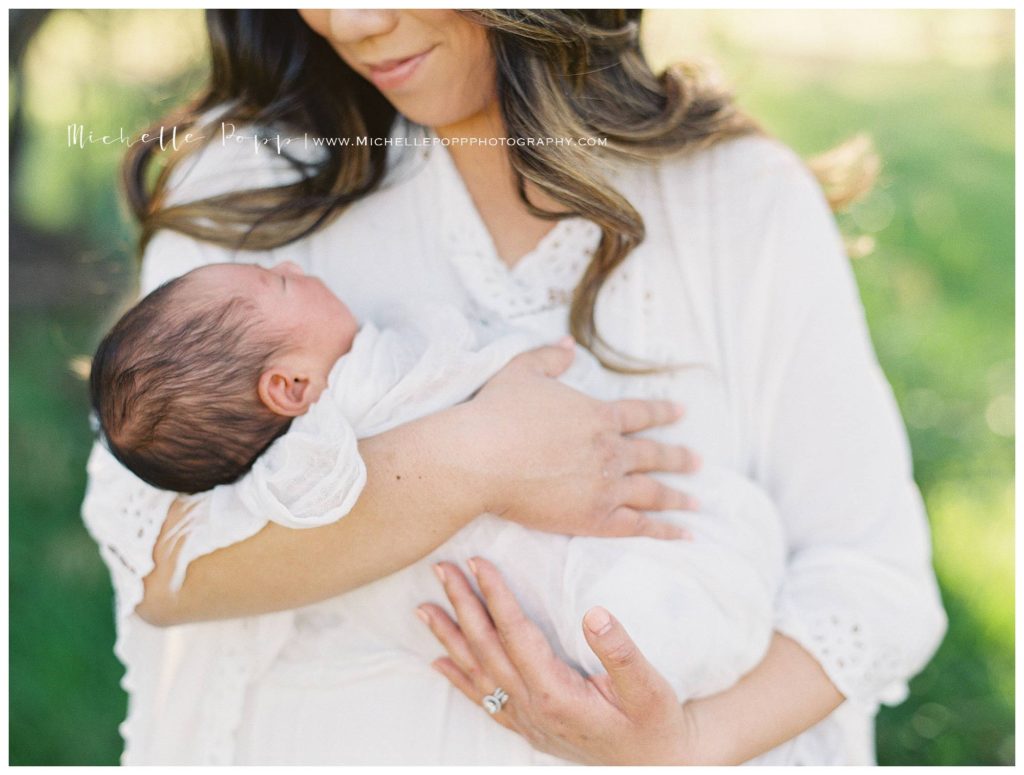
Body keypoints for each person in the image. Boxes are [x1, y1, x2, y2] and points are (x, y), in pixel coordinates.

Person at [81, 9, 947, 765]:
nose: (347, 21)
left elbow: (873, 577)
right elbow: (157, 562)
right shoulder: (252, 182)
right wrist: (476, 459)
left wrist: (683, 744)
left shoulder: (739, 201)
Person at [89, 257, 786, 708]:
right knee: (623, 597)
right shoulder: (338, 420)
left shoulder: (296, 449)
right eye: (277, 283)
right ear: (291, 386)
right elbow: (455, 371)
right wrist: (519, 375)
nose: (291, 264)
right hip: (565, 578)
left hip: (585, 575)